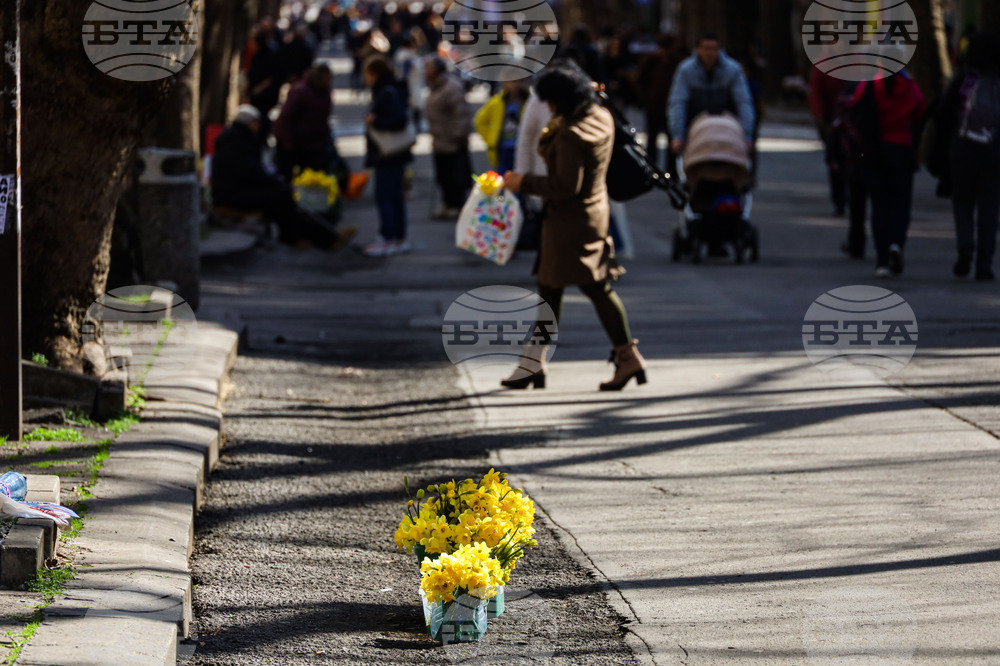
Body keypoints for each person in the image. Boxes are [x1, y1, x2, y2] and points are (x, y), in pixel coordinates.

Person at [502, 62, 647, 392]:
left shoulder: (570, 135)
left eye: (550, 102)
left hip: (568, 222)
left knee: (593, 287)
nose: (548, 108)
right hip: (593, 211)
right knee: (552, 288)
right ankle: (533, 362)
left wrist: (524, 182)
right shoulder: (600, 117)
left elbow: (565, 185)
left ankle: (627, 357)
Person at [212, 105, 356, 251]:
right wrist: (273, 181)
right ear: (250, 123)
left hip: (237, 190)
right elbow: (249, 172)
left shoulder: (238, 139)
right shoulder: (236, 142)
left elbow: (251, 172)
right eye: (256, 123)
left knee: (284, 199)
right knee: (281, 197)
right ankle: (305, 238)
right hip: (232, 194)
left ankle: (321, 237)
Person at [933, 33, 1000, 281]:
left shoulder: (963, 78)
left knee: (962, 201)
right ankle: (985, 264)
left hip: (962, 147)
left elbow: (944, 113)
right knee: (989, 207)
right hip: (994, 150)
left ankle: (965, 247)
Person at [848, 67, 925, 278]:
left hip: (874, 150)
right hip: (902, 150)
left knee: (879, 204)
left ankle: (881, 259)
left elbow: (853, 107)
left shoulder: (870, 84)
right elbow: (920, 112)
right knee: (901, 202)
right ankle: (896, 243)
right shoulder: (910, 87)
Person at [667, 32, 755, 159]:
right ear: (698, 50)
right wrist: (678, 136)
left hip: (726, 123)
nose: (710, 53)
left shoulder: (733, 70)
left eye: (714, 49)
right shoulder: (685, 70)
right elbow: (678, 102)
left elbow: (743, 102)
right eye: (706, 49)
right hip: (695, 125)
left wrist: (746, 136)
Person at [362, 55, 413, 257]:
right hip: (396, 153)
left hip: (387, 153)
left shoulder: (385, 92)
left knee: (385, 195)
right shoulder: (392, 88)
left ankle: (389, 237)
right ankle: (398, 237)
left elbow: (398, 118)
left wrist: (375, 121)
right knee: (395, 196)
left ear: (374, 74)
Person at [424, 57, 472, 220]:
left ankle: (456, 204)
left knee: (455, 176)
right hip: (440, 140)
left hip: (452, 141)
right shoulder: (435, 87)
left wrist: (459, 135)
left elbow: (461, 114)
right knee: (443, 175)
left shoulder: (451, 88)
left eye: (428, 69)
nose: (425, 72)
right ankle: (448, 203)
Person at [273, 64, 337, 183]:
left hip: (313, 143)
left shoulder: (324, 91)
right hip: (294, 143)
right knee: (288, 175)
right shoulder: (300, 91)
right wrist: (288, 142)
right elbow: (286, 118)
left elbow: (323, 117)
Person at [635, 33, 680, 172]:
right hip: (654, 106)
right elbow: (640, 80)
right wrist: (647, 98)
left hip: (669, 106)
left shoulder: (675, 61)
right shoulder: (651, 61)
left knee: (669, 138)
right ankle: (652, 168)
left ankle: (670, 171)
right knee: (653, 138)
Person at [810, 66, 848, 217]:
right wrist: (820, 119)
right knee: (834, 160)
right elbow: (816, 93)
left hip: (852, 117)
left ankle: (850, 195)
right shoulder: (824, 64)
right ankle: (839, 200)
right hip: (831, 120)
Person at [475, 80, 529, 174]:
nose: (515, 85)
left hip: (523, 149)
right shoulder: (496, 102)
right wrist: (490, 138)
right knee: (502, 180)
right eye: (512, 81)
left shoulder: (529, 102)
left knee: (521, 180)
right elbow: (480, 121)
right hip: (503, 148)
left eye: (518, 81)